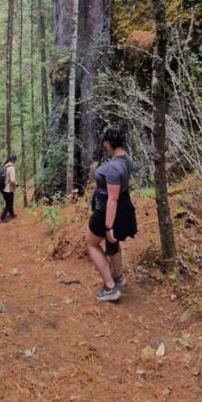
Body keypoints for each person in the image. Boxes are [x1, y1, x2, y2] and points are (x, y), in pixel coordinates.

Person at [87, 127, 137, 302]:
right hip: (122, 208)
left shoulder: (113, 169)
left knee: (92, 244)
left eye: (105, 143)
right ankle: (117, 277)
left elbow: (112, 199)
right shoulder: (126, 159)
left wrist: (108, 226)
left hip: (107, 212)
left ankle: (110, 287)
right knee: (112, 243)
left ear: (108, 144)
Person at [0, 154, 18, 222]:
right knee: (9, 203)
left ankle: (12, 214)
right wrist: (16, 184)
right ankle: (2, 217)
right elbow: (12, 180)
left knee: (10, 201)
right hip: (8, 189)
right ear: (13, 160)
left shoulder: (5, 166)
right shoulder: (11, 168)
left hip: (3, 188)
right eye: (15, 160)